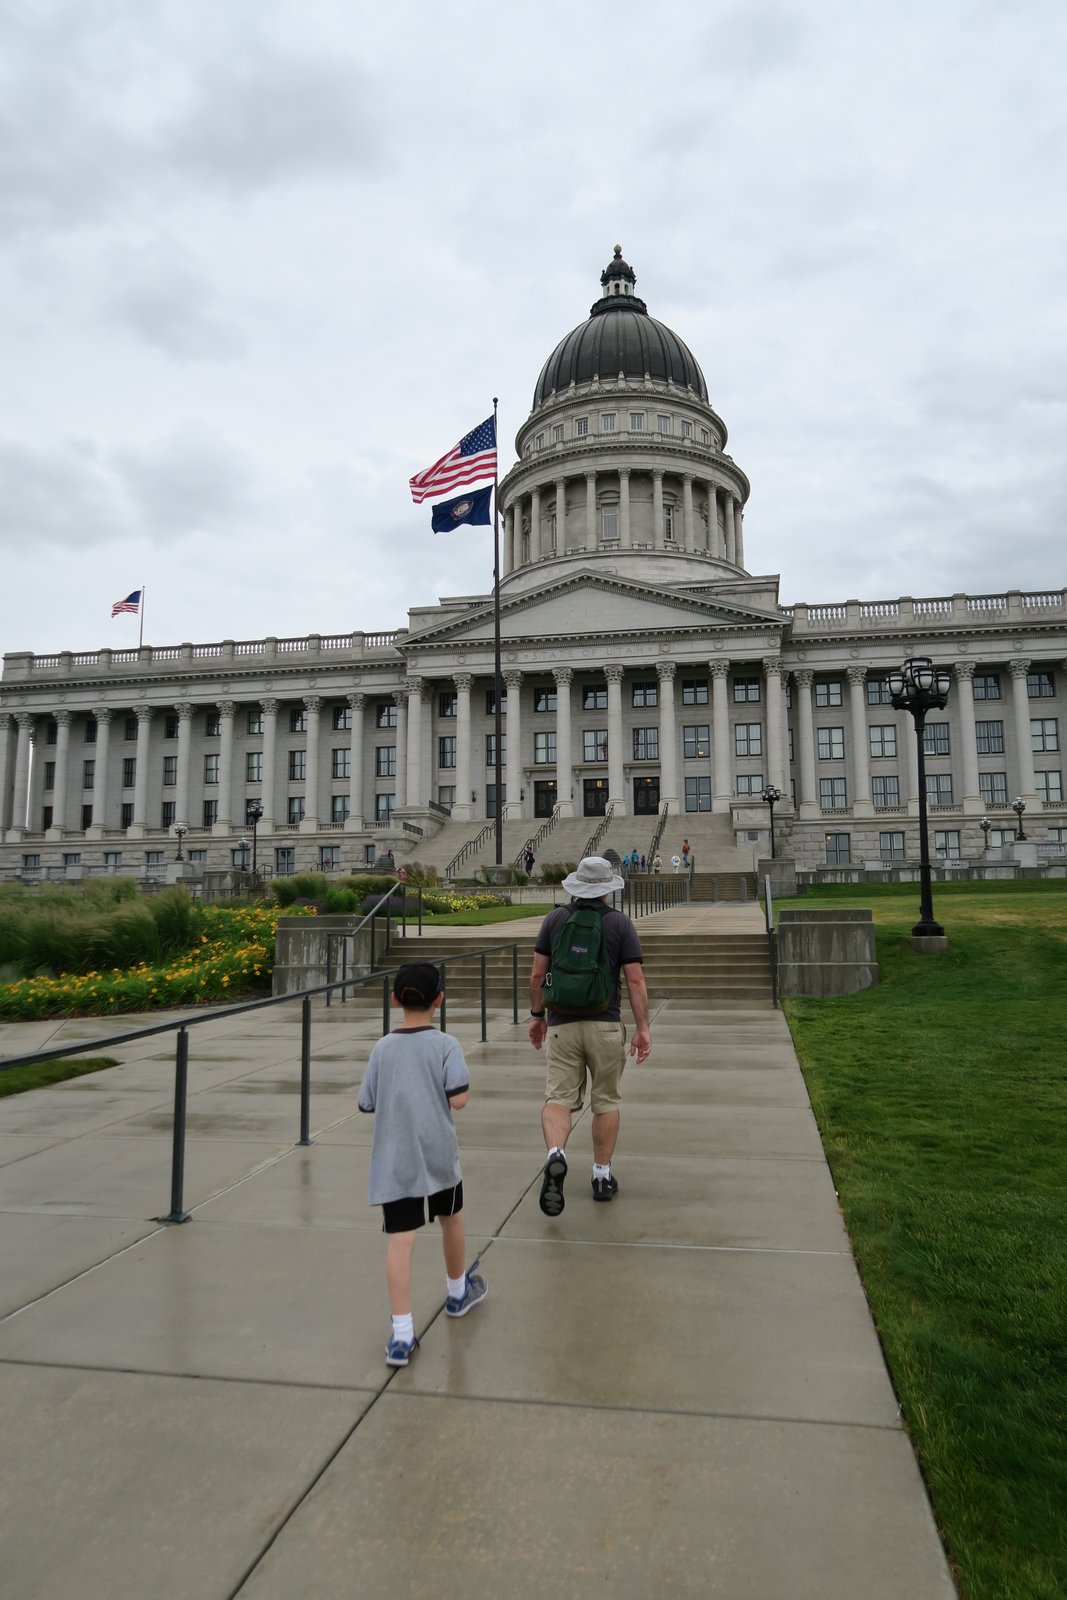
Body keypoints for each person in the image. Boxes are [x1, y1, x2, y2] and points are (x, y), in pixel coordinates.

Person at [358, 962, 487, 1367]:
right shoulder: (446, 1045)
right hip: (438, 1155)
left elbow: (366, 1102)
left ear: (395, 1000)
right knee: (452, 1219)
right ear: (439, 1000)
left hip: (397, 1160)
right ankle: (457, 1292)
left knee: (401, 1240)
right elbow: (459, 1099)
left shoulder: (383, 1048)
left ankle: (401, 1334)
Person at [527, 856, 652, 1213]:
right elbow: (635, 980)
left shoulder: (555, 919)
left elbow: (537, 974)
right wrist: (643, 1028)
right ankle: (601, 1175)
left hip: (561, 1026)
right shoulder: (619, 924)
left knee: (558, 1098)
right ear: (607, 889)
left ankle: (556, 1153)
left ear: (576, 886)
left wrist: (537, 1016)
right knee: (606, 1100)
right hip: (605, 1023)